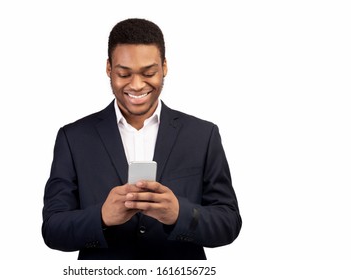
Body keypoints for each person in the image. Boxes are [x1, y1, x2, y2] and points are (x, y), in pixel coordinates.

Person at [42, 18, 242, 260]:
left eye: (149, 73)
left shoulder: (203, 135)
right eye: (124, 73)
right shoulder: (73, 138)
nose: (136, 85)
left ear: (164, 67)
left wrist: (180, 213)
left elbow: (229, 223)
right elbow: (52, 229)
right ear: (109, 69)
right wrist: (102, 216)